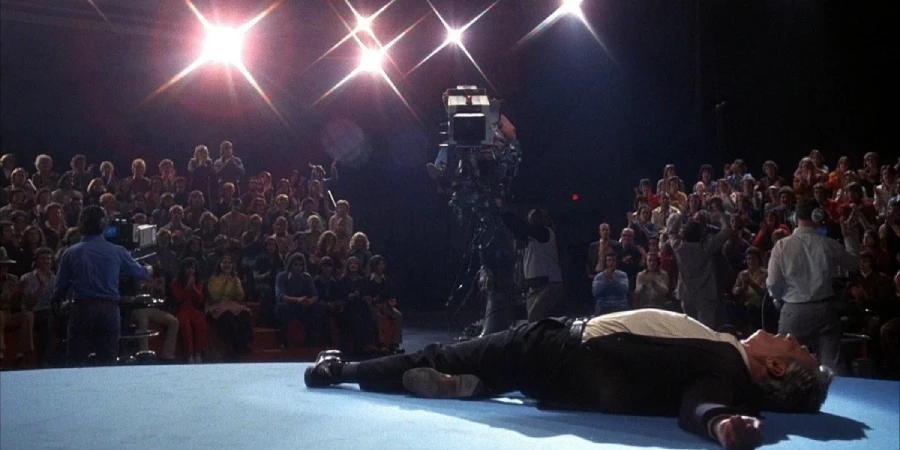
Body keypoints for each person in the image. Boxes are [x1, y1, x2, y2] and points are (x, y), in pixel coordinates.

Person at [305, 309, 834, 450]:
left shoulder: (727, 367)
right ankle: (478, 385)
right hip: (564, 379)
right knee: (481, 367)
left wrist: (720, 425)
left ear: (776, 368)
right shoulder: (727, 360)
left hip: (556, 348)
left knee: (444, 353)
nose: (790, 336)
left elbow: (702, 402)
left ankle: (341, 370)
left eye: (797, 349)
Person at [50, 206, 152, 366]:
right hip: (108, 310)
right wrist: (149, 268)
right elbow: (141, 273)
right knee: (107, 361)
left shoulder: (70, 252)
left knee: (77, 360)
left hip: (82, 309)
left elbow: (60, 288)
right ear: (103, 225)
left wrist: (58, 304)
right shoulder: (117, 251)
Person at [767, 199, 858, 371]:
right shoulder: (828, 244)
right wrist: (849, 236)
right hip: (825, 309)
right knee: (831, 367)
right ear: (817, 216)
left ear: (794, 218)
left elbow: (773, 283)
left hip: (793, 310)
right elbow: (854, 264)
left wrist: (778, 299)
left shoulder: (781, 246)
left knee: (787, 366)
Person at [501, 207, 564, 321]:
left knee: (535, 319)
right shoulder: (530, 238)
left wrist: (503, 211)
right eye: (530, 218)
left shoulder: (545, 233)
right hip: (534, 286)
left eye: (535, 217)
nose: (531, 220)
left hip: (548, 284)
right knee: (533, 322)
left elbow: (521, 227)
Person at [673, 218, 732, 328]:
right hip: (705, 294)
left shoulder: (678, 248)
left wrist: (680, 215)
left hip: (686, 294)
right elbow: (726, 231)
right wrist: (719, 215)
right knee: (705, 330)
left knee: (689, 328)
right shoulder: (706, 247)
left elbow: (671, 231)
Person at [275, 253, 323, 347]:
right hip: (288, 304)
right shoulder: (282, 276)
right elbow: (280, 296)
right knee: (282, 308)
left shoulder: (306, 277)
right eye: (295, 264)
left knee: (317, 307)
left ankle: (312, 340)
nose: (298, 267)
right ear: (290, 264)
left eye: (301, 265)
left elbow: (315, 295)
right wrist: (297, 299)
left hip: (302, 305)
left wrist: (310, 301)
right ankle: (283, 341)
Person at [170, 258, 208, 363]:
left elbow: (200, 299)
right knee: (186, 326)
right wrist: (187, 287)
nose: (190, 270)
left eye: (192, 268)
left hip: (194, 309)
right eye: (188, 268)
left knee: (201, 323)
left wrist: (194, 287)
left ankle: (198, 353)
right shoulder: (176, 282)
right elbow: (178, 298)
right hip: (180, 309)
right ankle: (189, 354)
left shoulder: (198, 281)